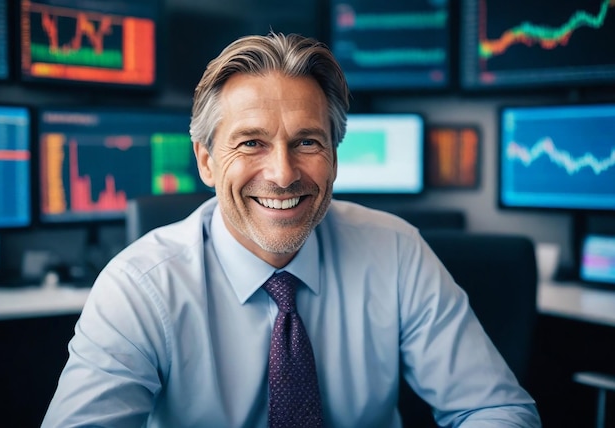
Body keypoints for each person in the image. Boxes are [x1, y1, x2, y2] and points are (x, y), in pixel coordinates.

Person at [42, 32, 541, 427]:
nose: (282, 174)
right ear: (207, 162)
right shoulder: (138, 288)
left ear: (335, 159)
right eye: (252, 143)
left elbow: (496, 410)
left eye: (306, 142)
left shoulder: (396, 251)